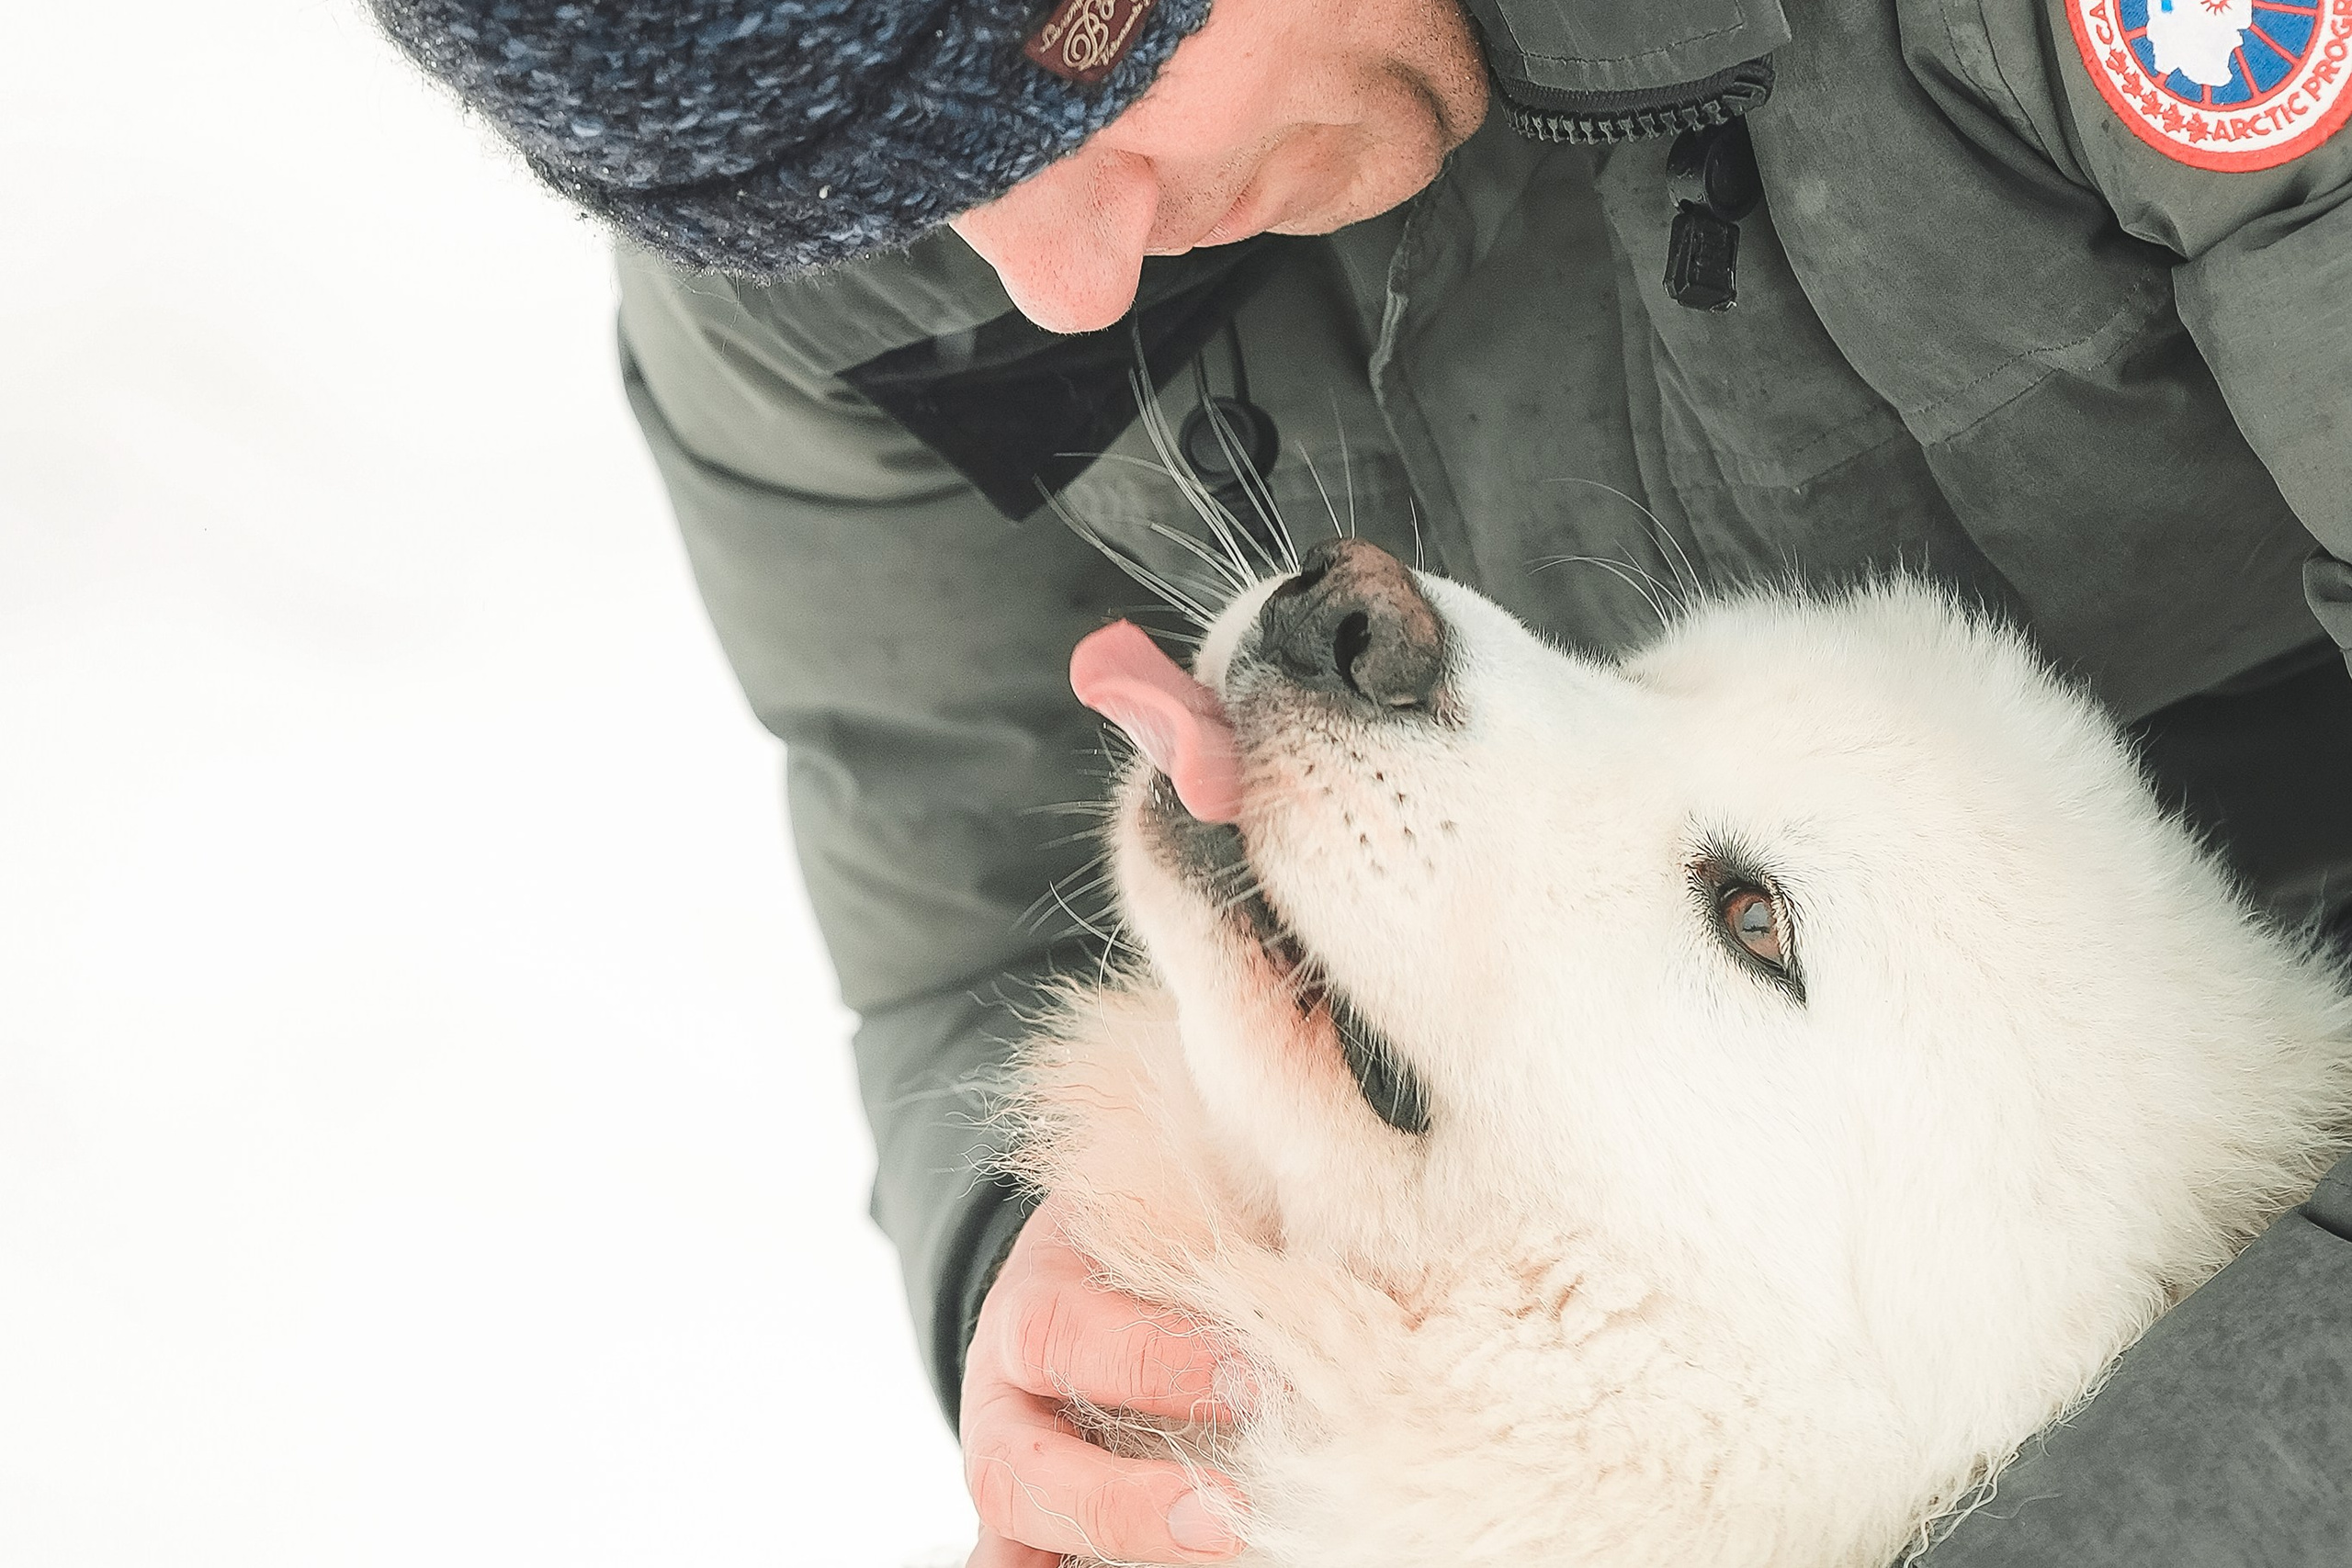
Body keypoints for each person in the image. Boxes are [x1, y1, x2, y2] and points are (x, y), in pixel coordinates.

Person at [369, 0, 2352, 1562]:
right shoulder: (777, 150)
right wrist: (1042, 1300)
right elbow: (968, 933)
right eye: (914, 199)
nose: (1057, 279)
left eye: (1077, 55)